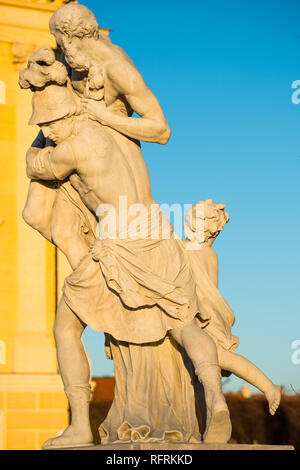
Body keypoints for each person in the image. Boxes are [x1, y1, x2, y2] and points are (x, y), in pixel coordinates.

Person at [20, 49, 231, 447]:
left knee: (66, 326)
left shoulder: (71, 149)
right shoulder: (116, 132)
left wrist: (39, 139)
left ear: (62, 119)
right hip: (156, 231)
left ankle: (80, 425)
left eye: (49, 126)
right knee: (181, 322)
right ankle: (215, 397)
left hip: (120, 242)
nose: (49, 133)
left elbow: (36, 168)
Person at [183, 199, 281, 416]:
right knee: (200, 374)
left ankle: (267, 386)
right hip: (207, 314)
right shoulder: (210, 254)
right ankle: (208, 425)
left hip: (201, 316)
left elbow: (205, 292)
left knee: (214, 360)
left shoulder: (186, 249)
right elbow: (212, 291)